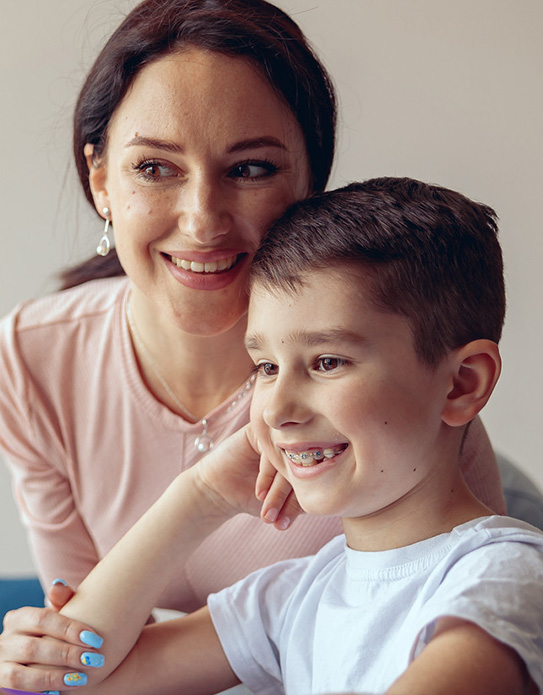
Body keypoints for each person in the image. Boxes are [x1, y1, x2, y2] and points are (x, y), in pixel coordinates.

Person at [0, 0, 504, 666]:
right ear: (101, 182)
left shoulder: (422, 432)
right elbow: (73, 656)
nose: (202, 218)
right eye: (153, 167)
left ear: (309, 187)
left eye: (250, 168)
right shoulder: (31, 360)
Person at [2, 177, 541, 695]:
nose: (278, 408)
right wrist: (200, 497)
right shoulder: (296, 596)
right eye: (264, 366)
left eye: (327, 361)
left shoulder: (505, 576)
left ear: (461, 384)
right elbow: (80, 677)